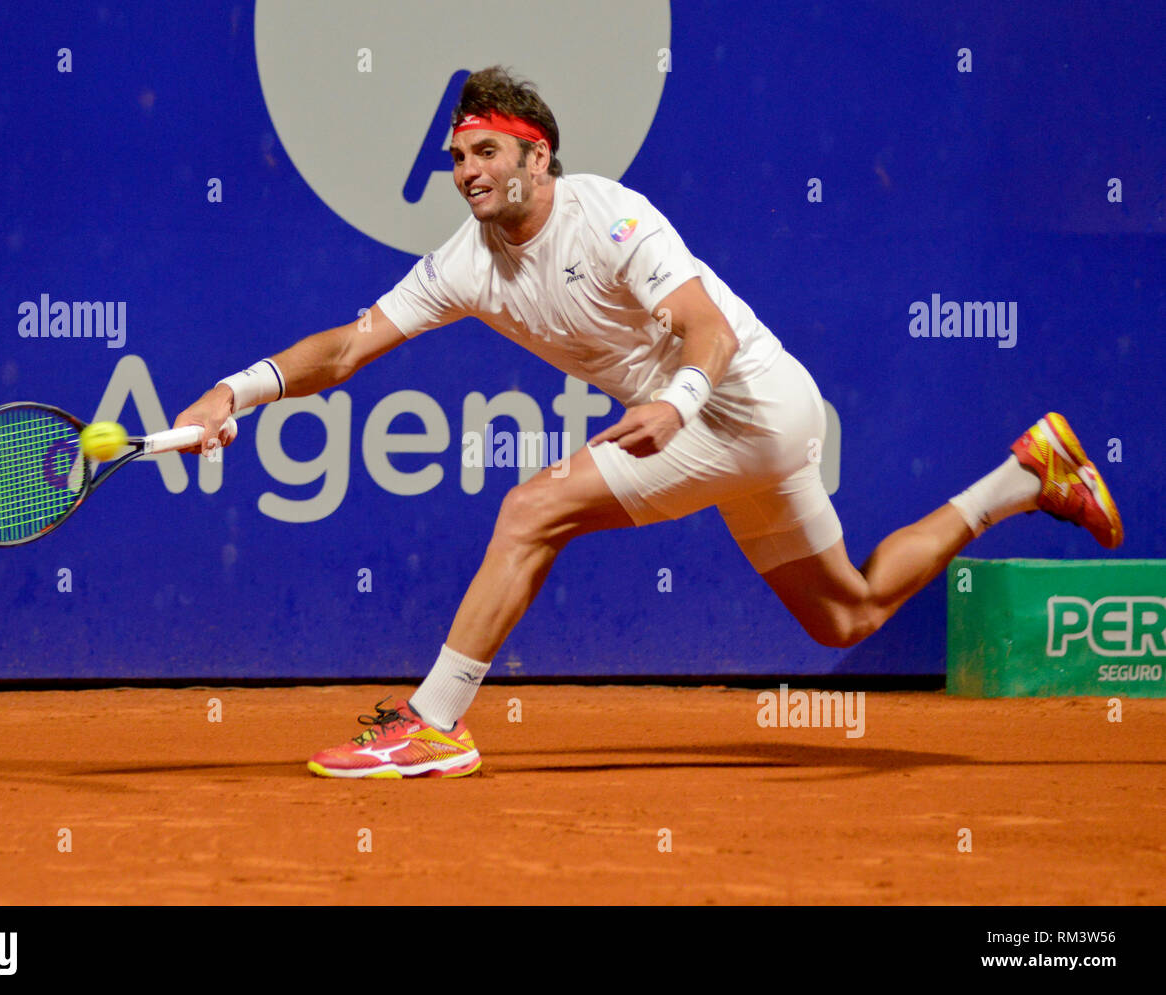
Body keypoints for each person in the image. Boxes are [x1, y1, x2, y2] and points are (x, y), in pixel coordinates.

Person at [173, 67, 1123, 779]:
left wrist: (676, 401)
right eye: (457, 155)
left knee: (531, 508)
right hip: (731, 433)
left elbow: (704, 328)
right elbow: (345, 349)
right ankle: (1025, 475)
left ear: (538, 155)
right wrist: (237, 389)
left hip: (744, 404)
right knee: (848, 614)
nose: (466, 171)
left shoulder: (611, 217)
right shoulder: (464, 260)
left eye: (486, 152)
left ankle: (437, 721)